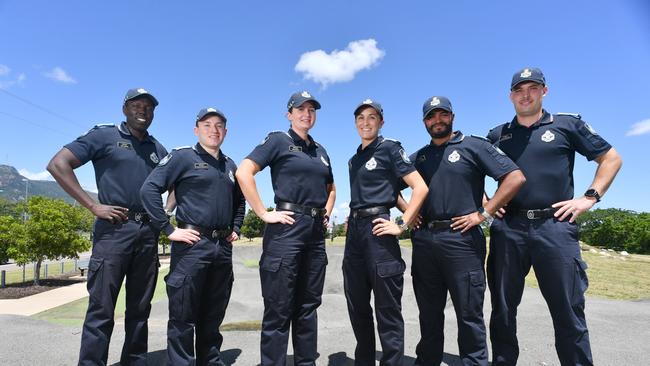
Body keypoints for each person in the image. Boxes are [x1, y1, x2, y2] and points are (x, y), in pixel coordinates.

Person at [486, 67, 623, 366]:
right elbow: (471, 171)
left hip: (555, 227)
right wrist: (487, 202)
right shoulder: (498, 135)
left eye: (532, 88)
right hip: (509, 229)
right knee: (503, 310)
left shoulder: (566, 125)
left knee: (568, 310)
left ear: (544, 91)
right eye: (519, 89)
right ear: (510, 95)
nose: (526, 94)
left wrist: (589, 198)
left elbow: (611, 158)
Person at [47, 88, 170, 366]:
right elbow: (58, 163)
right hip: (114, 231)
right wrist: (92, 206)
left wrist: (166, 210)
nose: (143, 110)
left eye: (149, 107)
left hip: (147, 234)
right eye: (136, 105)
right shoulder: (104, 136)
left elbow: (174, 183)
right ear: (124, 108)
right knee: (102, 309)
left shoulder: (158, 149)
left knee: (139, 309)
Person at [404, 96, 525, 365]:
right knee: (429, 313)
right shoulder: (420, 156)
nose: (437, 120)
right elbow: (390, 183)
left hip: (462, 240)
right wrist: (409, 214)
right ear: (425, 121)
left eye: (442, 114)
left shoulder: (473, 146)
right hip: (425, 241)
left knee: (469, 313)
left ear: (452, 116)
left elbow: (514, 177)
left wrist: (484, 212)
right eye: (431, 116)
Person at [235, 91, 336, 366]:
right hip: (286, 229)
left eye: (311, 109)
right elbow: (244, 172)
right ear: (289, 114)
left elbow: (331, 189)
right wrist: (263, 213)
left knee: (308, 306)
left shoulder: (321, 151)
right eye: (300, 109)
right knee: (279, 309)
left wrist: (326, 212)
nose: (307, 113)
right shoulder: (278, 140)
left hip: (315, 233)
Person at [140, 107, 245, 365]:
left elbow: (240, 201)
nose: (214, 130)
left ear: (226, 132)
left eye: (219, 125)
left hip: (221, 248)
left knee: (213, 313)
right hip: (192, 246)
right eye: (207, 125)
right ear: (196, 129)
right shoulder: (182, 157)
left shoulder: (230, 165)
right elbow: (149, 189)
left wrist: (236, 227)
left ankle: (210, 361)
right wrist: (169, 230)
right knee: (183, 314)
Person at [344, 99, 428, 366]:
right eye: (360, 118)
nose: (365, 123)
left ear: (381, 122)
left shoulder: (390, 148)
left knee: (387, 308)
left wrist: (403, 224)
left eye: (372, 117)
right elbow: (393, 192)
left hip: (379, 231)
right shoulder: (354, 159)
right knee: (357, 305)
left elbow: (420, 187)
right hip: (354, 234)